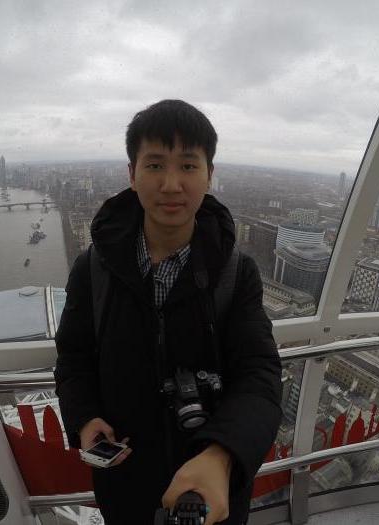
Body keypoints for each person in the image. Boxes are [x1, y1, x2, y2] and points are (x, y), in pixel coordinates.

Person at [54, 99, 282, 524]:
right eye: (155, 165)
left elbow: (260, 374)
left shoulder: (236, 273)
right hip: (125, 487)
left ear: (210, 175)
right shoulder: (93, 269)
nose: (172, 184)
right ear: (132, 174)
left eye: (189, 166)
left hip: (209, 491)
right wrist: (85, 417)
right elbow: (73, 358)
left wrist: (222, 453)